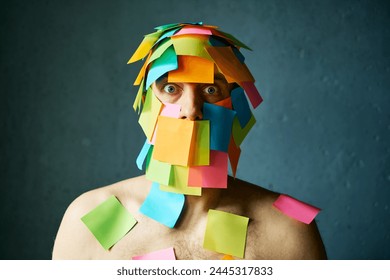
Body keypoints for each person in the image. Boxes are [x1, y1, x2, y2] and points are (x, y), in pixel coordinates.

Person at [52, 22, 327, 260]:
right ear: (147, 104)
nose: (191, 110)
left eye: (211, 89)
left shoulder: (286, 230)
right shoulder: (90, 218)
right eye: (170, 88)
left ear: (236, 106)